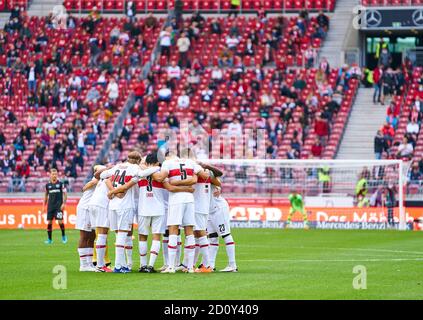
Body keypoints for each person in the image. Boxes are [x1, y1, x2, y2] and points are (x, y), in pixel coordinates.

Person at [99, 151, 160, 273]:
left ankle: (123, 264)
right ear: (138, 160)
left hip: (113, 205)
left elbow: (103, 175)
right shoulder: (134, 168)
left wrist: (112, 190)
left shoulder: (117, 166)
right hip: (125, 206)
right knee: (122, 235)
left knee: (118, 235)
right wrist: (157, 167)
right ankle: (118, 266)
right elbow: (143, 173)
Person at [75, 176, 98, 272]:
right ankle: (83, 264)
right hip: (85, 209)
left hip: (91, 210)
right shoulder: (95, 180)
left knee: (92, 236)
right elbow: (85, 187)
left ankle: (89, 263)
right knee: (84, 235)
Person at [43, 168, 67, 244]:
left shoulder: (61, 184)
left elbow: (65, 194)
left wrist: (63, 203)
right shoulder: (48, 185)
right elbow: (46, 196)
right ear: (50, 175)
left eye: (55, 174)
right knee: (49, 222)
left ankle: (63, 236)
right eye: (53, 174)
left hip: (58, 206)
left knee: (60, 221)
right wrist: (44, 206)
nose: (54, 175)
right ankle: (49, 240)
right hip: (50, 206)